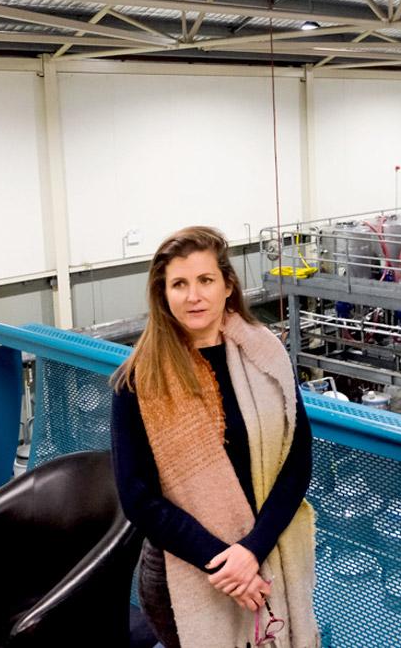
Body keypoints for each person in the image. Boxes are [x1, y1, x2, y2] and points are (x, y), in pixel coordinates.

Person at [110, 226, 318, 648]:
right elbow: (138, 498)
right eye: (179, 284)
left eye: (205, 280)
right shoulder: (139, 381)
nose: (194, 296)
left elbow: (297, 460)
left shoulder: (265, 355)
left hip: (265, 551)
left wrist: (252, 550)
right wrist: (225, 564)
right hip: (181, 571)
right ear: (162, 294)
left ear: (227, 285)